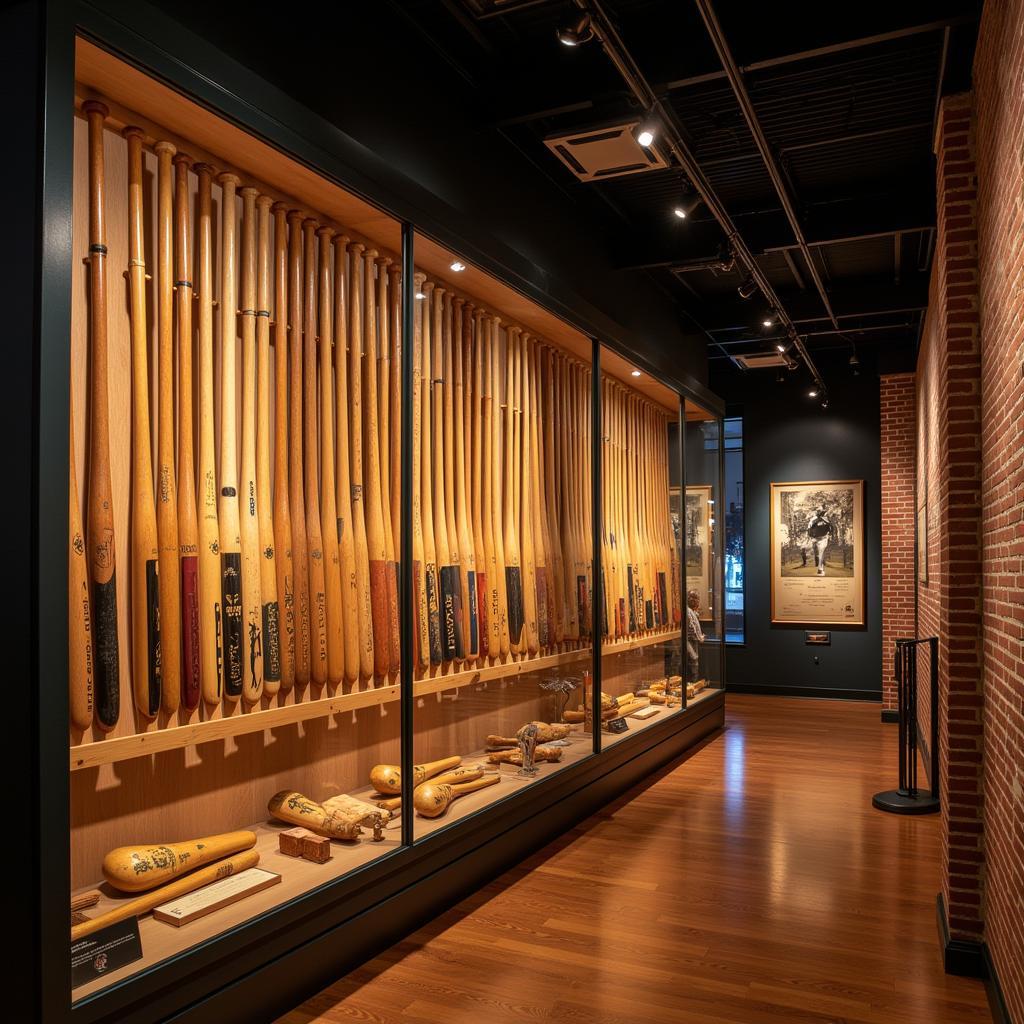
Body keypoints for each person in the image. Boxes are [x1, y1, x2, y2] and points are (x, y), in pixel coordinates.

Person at [806, 505, 833, 576]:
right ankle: (819, 565)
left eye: (820, 511)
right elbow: (809, 529)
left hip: (823, 538)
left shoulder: (826, 519)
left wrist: (829, 535)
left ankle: (820, 568)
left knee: (821, 552)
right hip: (815, 539)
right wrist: (811, 537)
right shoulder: (813, 519)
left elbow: (831, 528)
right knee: (818, 553)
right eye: (818, 511)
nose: (819, 512)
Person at [686, 589, 705, 682]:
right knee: (693, 660)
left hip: (693, 640)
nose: (694, 600)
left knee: (694, 661)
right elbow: (692, 628)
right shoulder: (687, 612)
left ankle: (694, 683)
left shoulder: (692, 612)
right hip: (687, 640)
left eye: (696, 598)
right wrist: (699, 637)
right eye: (691, 597)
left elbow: (695, 627)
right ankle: (692, 682)